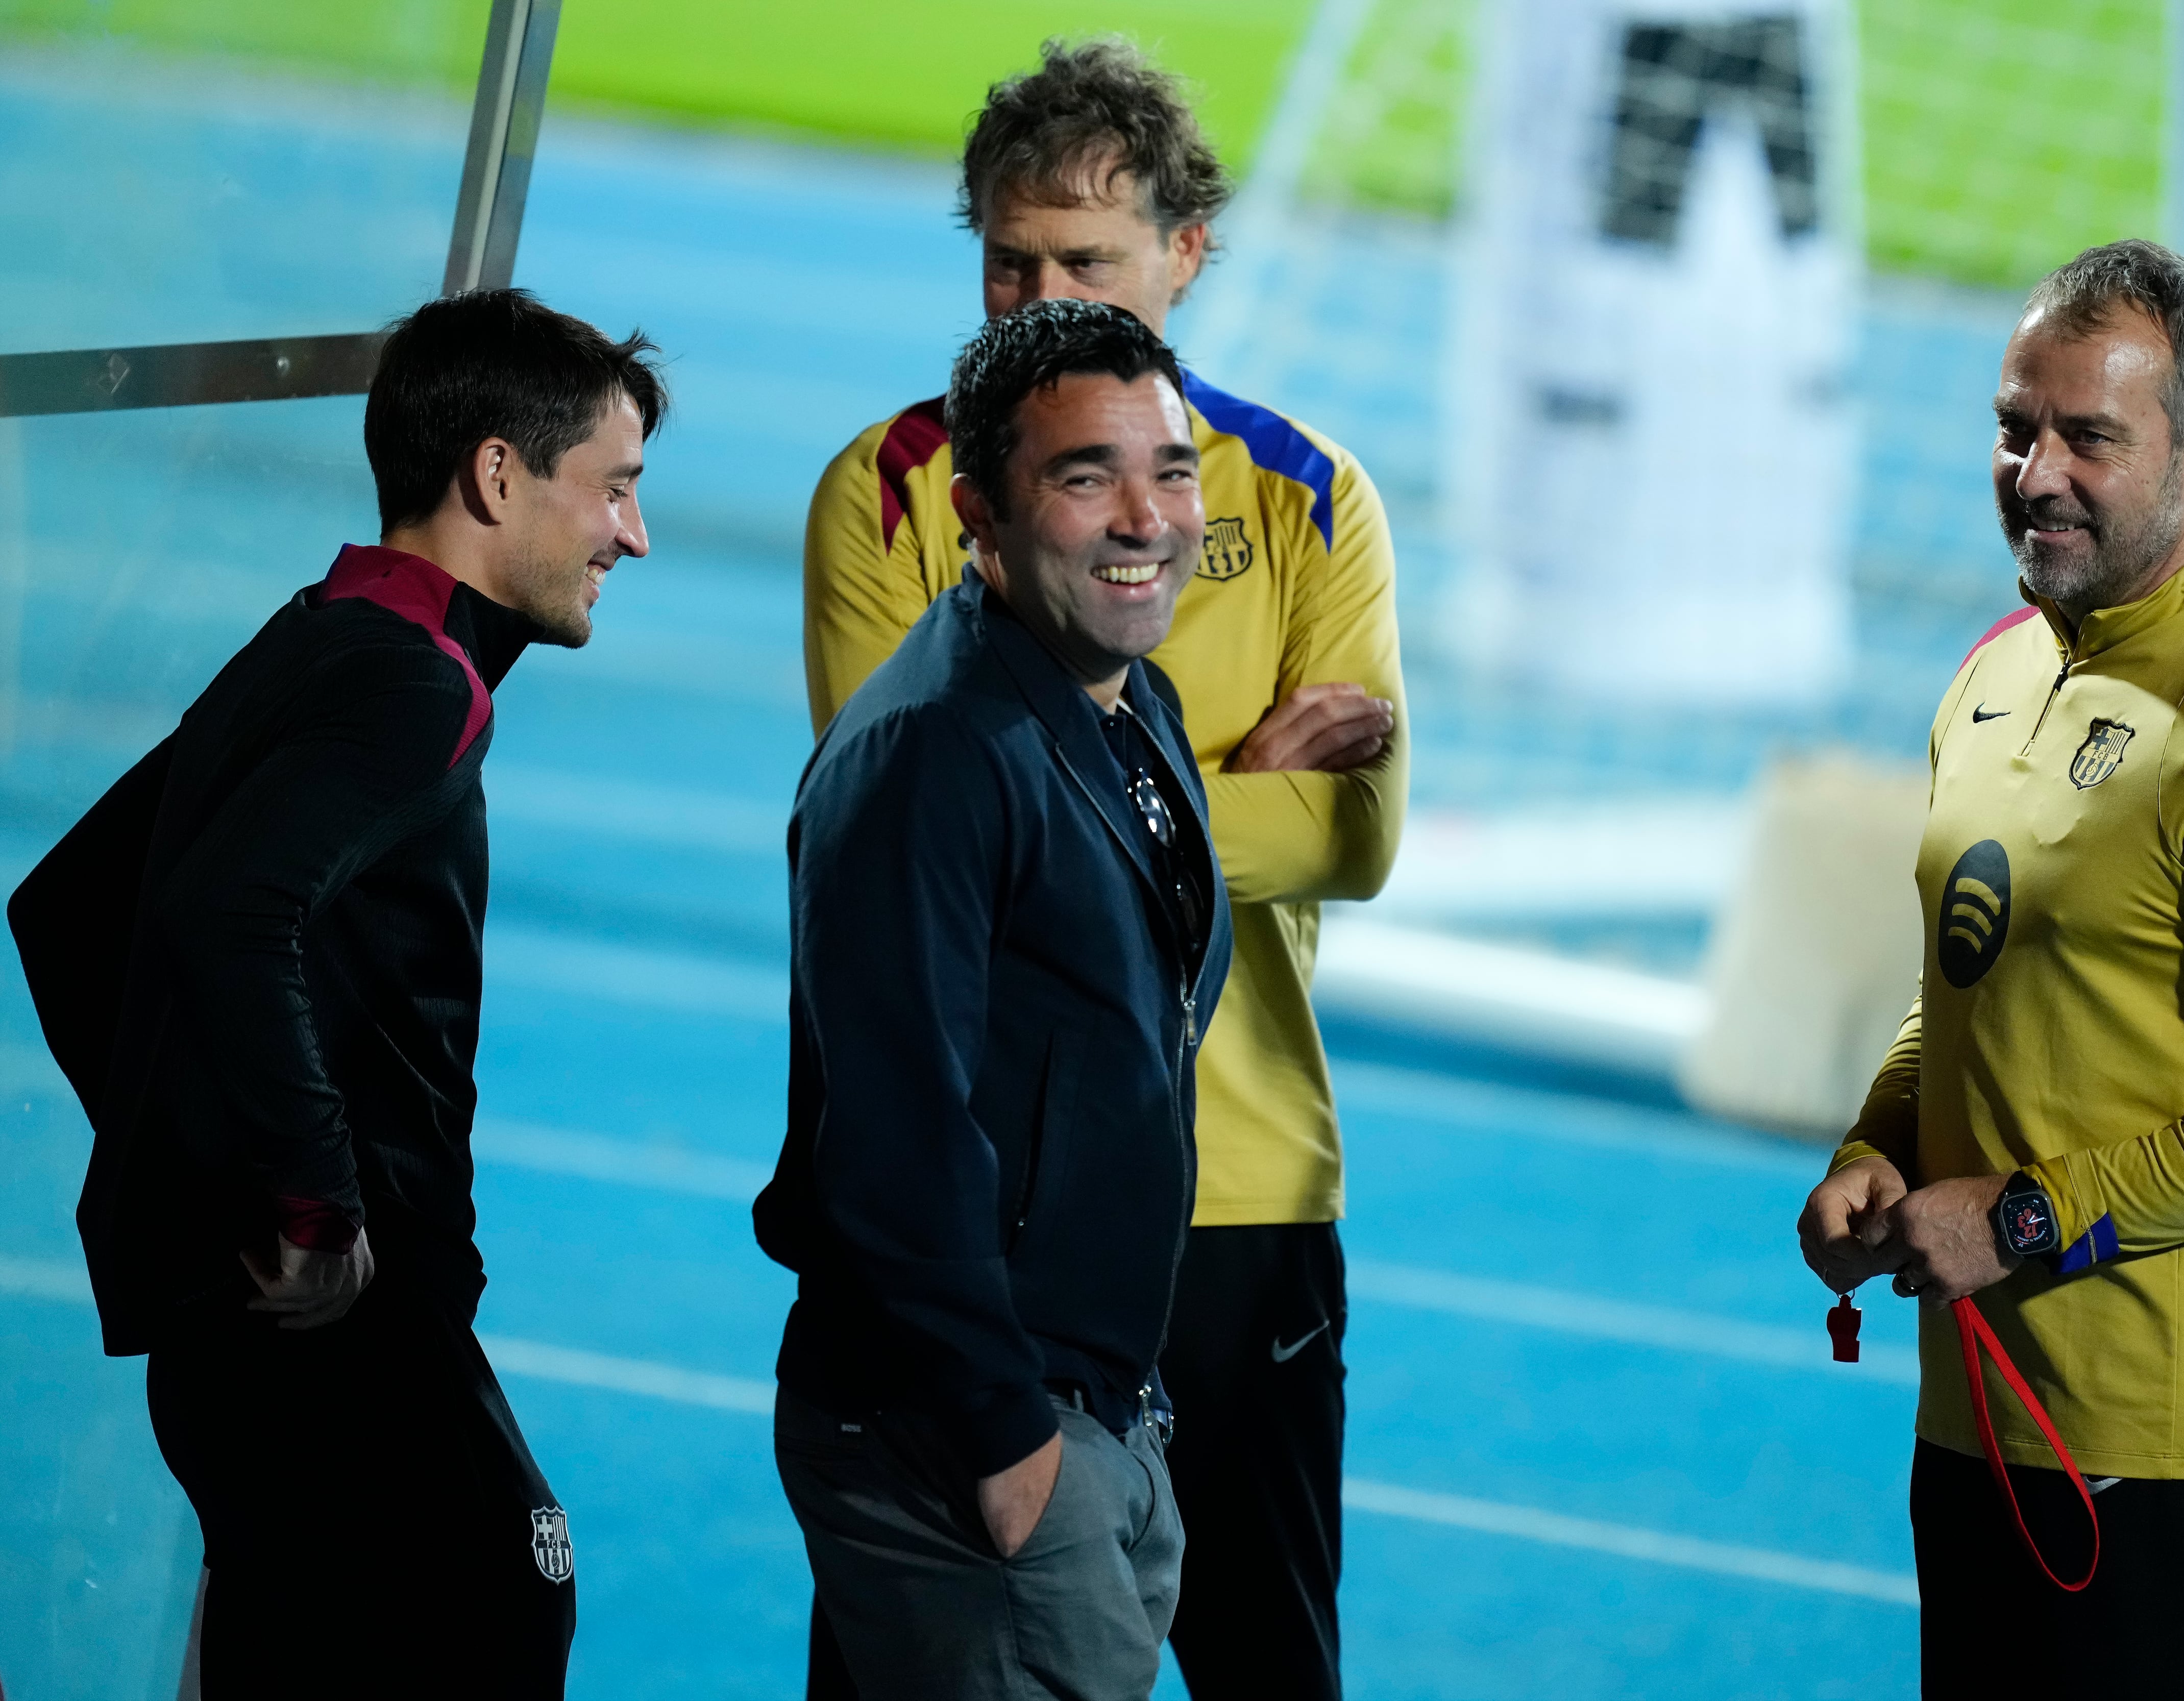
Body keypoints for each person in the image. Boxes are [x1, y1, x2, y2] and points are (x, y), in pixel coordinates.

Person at [800, 39, 1405, 1701]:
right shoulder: (893, 488)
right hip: (991, 1221)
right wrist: (1224, 788)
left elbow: (1358, 834)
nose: (1031, 294)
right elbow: (916, 827)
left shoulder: (1305, 493)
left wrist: (1111, 803)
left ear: (1185, 258)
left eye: (1082, 260)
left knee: (1272, 1662)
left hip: (1246, 1184)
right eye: (1008, 257)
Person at [7, 289, 663, 1696]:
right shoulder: (412, 683)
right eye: (613, 489)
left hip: (259, 1327)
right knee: (509, 1589)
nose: (633, 533)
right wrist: (307, 1205)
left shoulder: (326, 628)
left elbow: (67, 909)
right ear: (498, 474)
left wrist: (198, 1192)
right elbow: (218, 911)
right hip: (339, 1319)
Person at [1795, 238, 2184, 1698]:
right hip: (1986, 1414)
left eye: (2087, 438)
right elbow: (1974, 989)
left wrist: (2018, 1219)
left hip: (2175, 1447)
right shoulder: (2002, 667)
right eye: (2015, 428)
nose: (2034, 470)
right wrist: (1879, 1141)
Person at [757, 297, 1235, 1700]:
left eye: (1173, 468)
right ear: (981, 513)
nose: (1146, 517)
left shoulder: (1119, 697)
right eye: (1085, 478)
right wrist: (1005, 1443)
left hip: (1092, 1410)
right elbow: (892, 1136)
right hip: (979, 1435)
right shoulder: (935, 750)